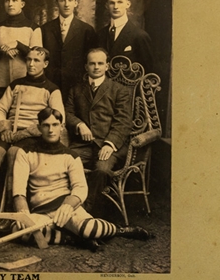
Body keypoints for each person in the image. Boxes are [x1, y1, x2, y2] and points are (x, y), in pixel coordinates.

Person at [12, 107, 150, 249]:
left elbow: (80, 188)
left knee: (89, 228)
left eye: (55, 125)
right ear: (39, 127)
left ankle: (118, 230)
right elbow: (19, 188)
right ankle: (72, 239)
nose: (51, 130)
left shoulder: (71, 156)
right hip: (40, 210)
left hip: (65, 208)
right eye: (46, 125)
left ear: (62, 127)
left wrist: (68, 205)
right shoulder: (25, 153)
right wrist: (22, 211)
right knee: (19, 230)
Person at [0, 47, 65, 216]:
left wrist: (31, 131)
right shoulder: (16, 85)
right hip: (11, 130)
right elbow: (0, 109)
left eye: (36, 60)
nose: (31, 64)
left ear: (45, 64)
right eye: (29, 60)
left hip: (34, 134)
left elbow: (58, 119)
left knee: (14, 154)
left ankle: (11, 206)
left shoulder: (52, 89)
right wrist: (4, 124)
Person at [65, 48, 133, 213]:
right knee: (62, 162)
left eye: (100, 63)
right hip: (83, 144)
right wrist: (79, 124)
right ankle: (63, 205)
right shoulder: (76, 89)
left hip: (109, 145)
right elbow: (67, 113)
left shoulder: (119, 90)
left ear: (107, 66)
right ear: (86, 66)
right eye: (92, 63)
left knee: (102, 170)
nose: (96, 67)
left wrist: (110, 144)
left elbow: (123, 121)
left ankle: (88, 210)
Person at [0, 0, 43, 101]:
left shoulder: (33, 28)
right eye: (7, 1)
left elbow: (38, 57)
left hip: (25, 83)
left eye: (14, 0)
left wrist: (17, 45)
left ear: (22, 4)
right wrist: (1, 50)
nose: (10, 4)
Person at [41, 0, 98, 95]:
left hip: (77, 85)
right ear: (57, 3)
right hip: (51, 85)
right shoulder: (45, 29)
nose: (66, 4)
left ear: (75, 3)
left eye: (70, 0)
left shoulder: (86, 30)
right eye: (62, 0)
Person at [97, 0, 154, 74]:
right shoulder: (99, 35)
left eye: (120, 2)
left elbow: (149, 72)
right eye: (112, 3)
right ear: (107, 6)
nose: (116, 7)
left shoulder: (139, 35)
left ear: (128, 4)